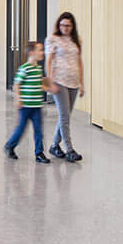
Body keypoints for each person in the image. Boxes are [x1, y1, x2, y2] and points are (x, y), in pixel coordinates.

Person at [45, 12, 85, 162]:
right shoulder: (52, 39)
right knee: (64, 116)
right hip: (59, 82)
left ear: (72, 26)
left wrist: (82, 84)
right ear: (58, 25)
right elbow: (49, 61)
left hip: (73, 82)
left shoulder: (77, 41)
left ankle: (55, 146)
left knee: (66, 116)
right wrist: (49, 82)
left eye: (68, 25)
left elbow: (80, 63)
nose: (65, 28)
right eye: (62, 25)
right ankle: (69, 150)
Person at [4, 41, 51, 163]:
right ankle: (10, 146)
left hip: (37, 106)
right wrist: (18, 99)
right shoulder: (24, 68)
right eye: (40, 50)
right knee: (21, 129)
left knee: (39, 131)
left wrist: (49, 89)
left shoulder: (38, 68)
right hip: (25, 106)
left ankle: (39, 153)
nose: (42, 52)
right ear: (31, 53)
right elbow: (16, 84)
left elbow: (39, 83)